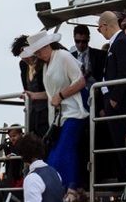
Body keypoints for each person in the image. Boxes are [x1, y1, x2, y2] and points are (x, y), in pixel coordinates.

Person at [22, 30, 89, 192]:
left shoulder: (63, 57)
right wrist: (33, 96)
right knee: (54, 155)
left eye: (39, 51)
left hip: (74, 111)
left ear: (47, 46)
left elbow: (80, 82)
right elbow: (51, 93)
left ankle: (71, 187)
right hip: (59, 117)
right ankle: (71, 187)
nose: (38, 55)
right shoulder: (46, 65)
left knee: (64, 150)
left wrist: (60, 95)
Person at [96, 11, 126, 185]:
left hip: (121, 102)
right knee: (118, 144)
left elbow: (125, 71)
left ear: (105, 26)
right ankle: (124, 181)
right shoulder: (117, 43)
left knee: (124, 144)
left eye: (100, 30)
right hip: (112, 100)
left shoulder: (122, 42)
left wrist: (114, 98)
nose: (101, 33)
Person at [13, 35, 50, 138]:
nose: (25, 59)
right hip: (32, 110)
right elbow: (26, 86)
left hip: (47, 108)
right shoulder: (23, 65)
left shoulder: (44, 62)